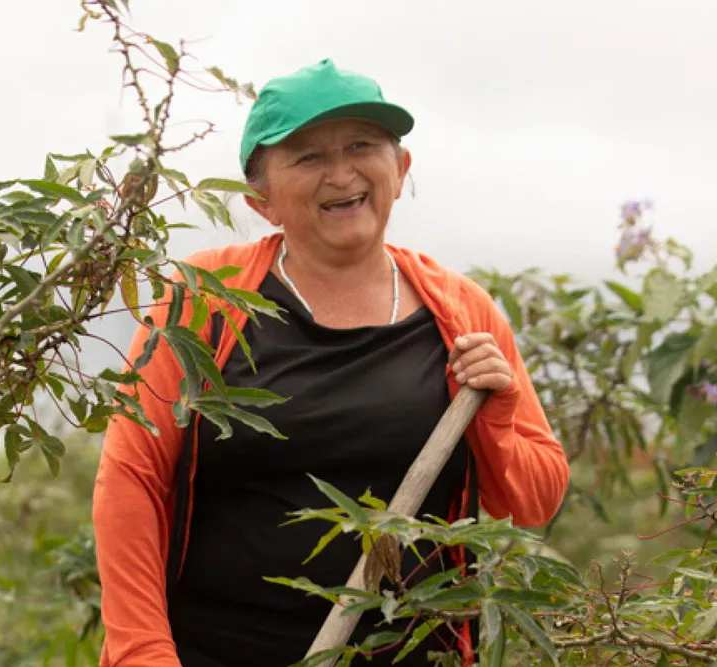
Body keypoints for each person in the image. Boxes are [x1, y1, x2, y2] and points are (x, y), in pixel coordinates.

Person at [91, 58, 572, 667]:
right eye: (307, 156)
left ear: (399, 170)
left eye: (361, 145)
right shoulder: (205, 299)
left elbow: (533, 504)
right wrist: (141, 652)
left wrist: (496, 419)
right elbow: (130, 481)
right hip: (213, 649)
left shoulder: (460, 312)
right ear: (261, 198)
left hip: (414, 652)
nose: (341, 174)